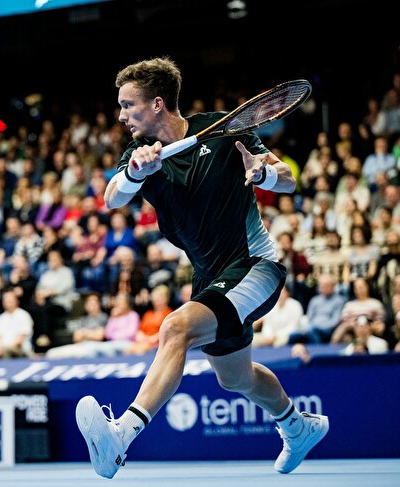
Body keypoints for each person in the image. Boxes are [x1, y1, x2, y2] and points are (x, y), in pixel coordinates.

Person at [75, 56, 328, 480]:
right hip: (211, 277)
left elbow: (287, 179)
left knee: (176, 329)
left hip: (254, 265)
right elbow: (112, 198)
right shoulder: (139, 155)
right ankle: (298, 427)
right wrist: (138, 173)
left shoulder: (226, 128)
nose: (121, 115)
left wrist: (263, 174)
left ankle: (121, 436)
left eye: (128, 105)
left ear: (158, 104)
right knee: (236, 379)